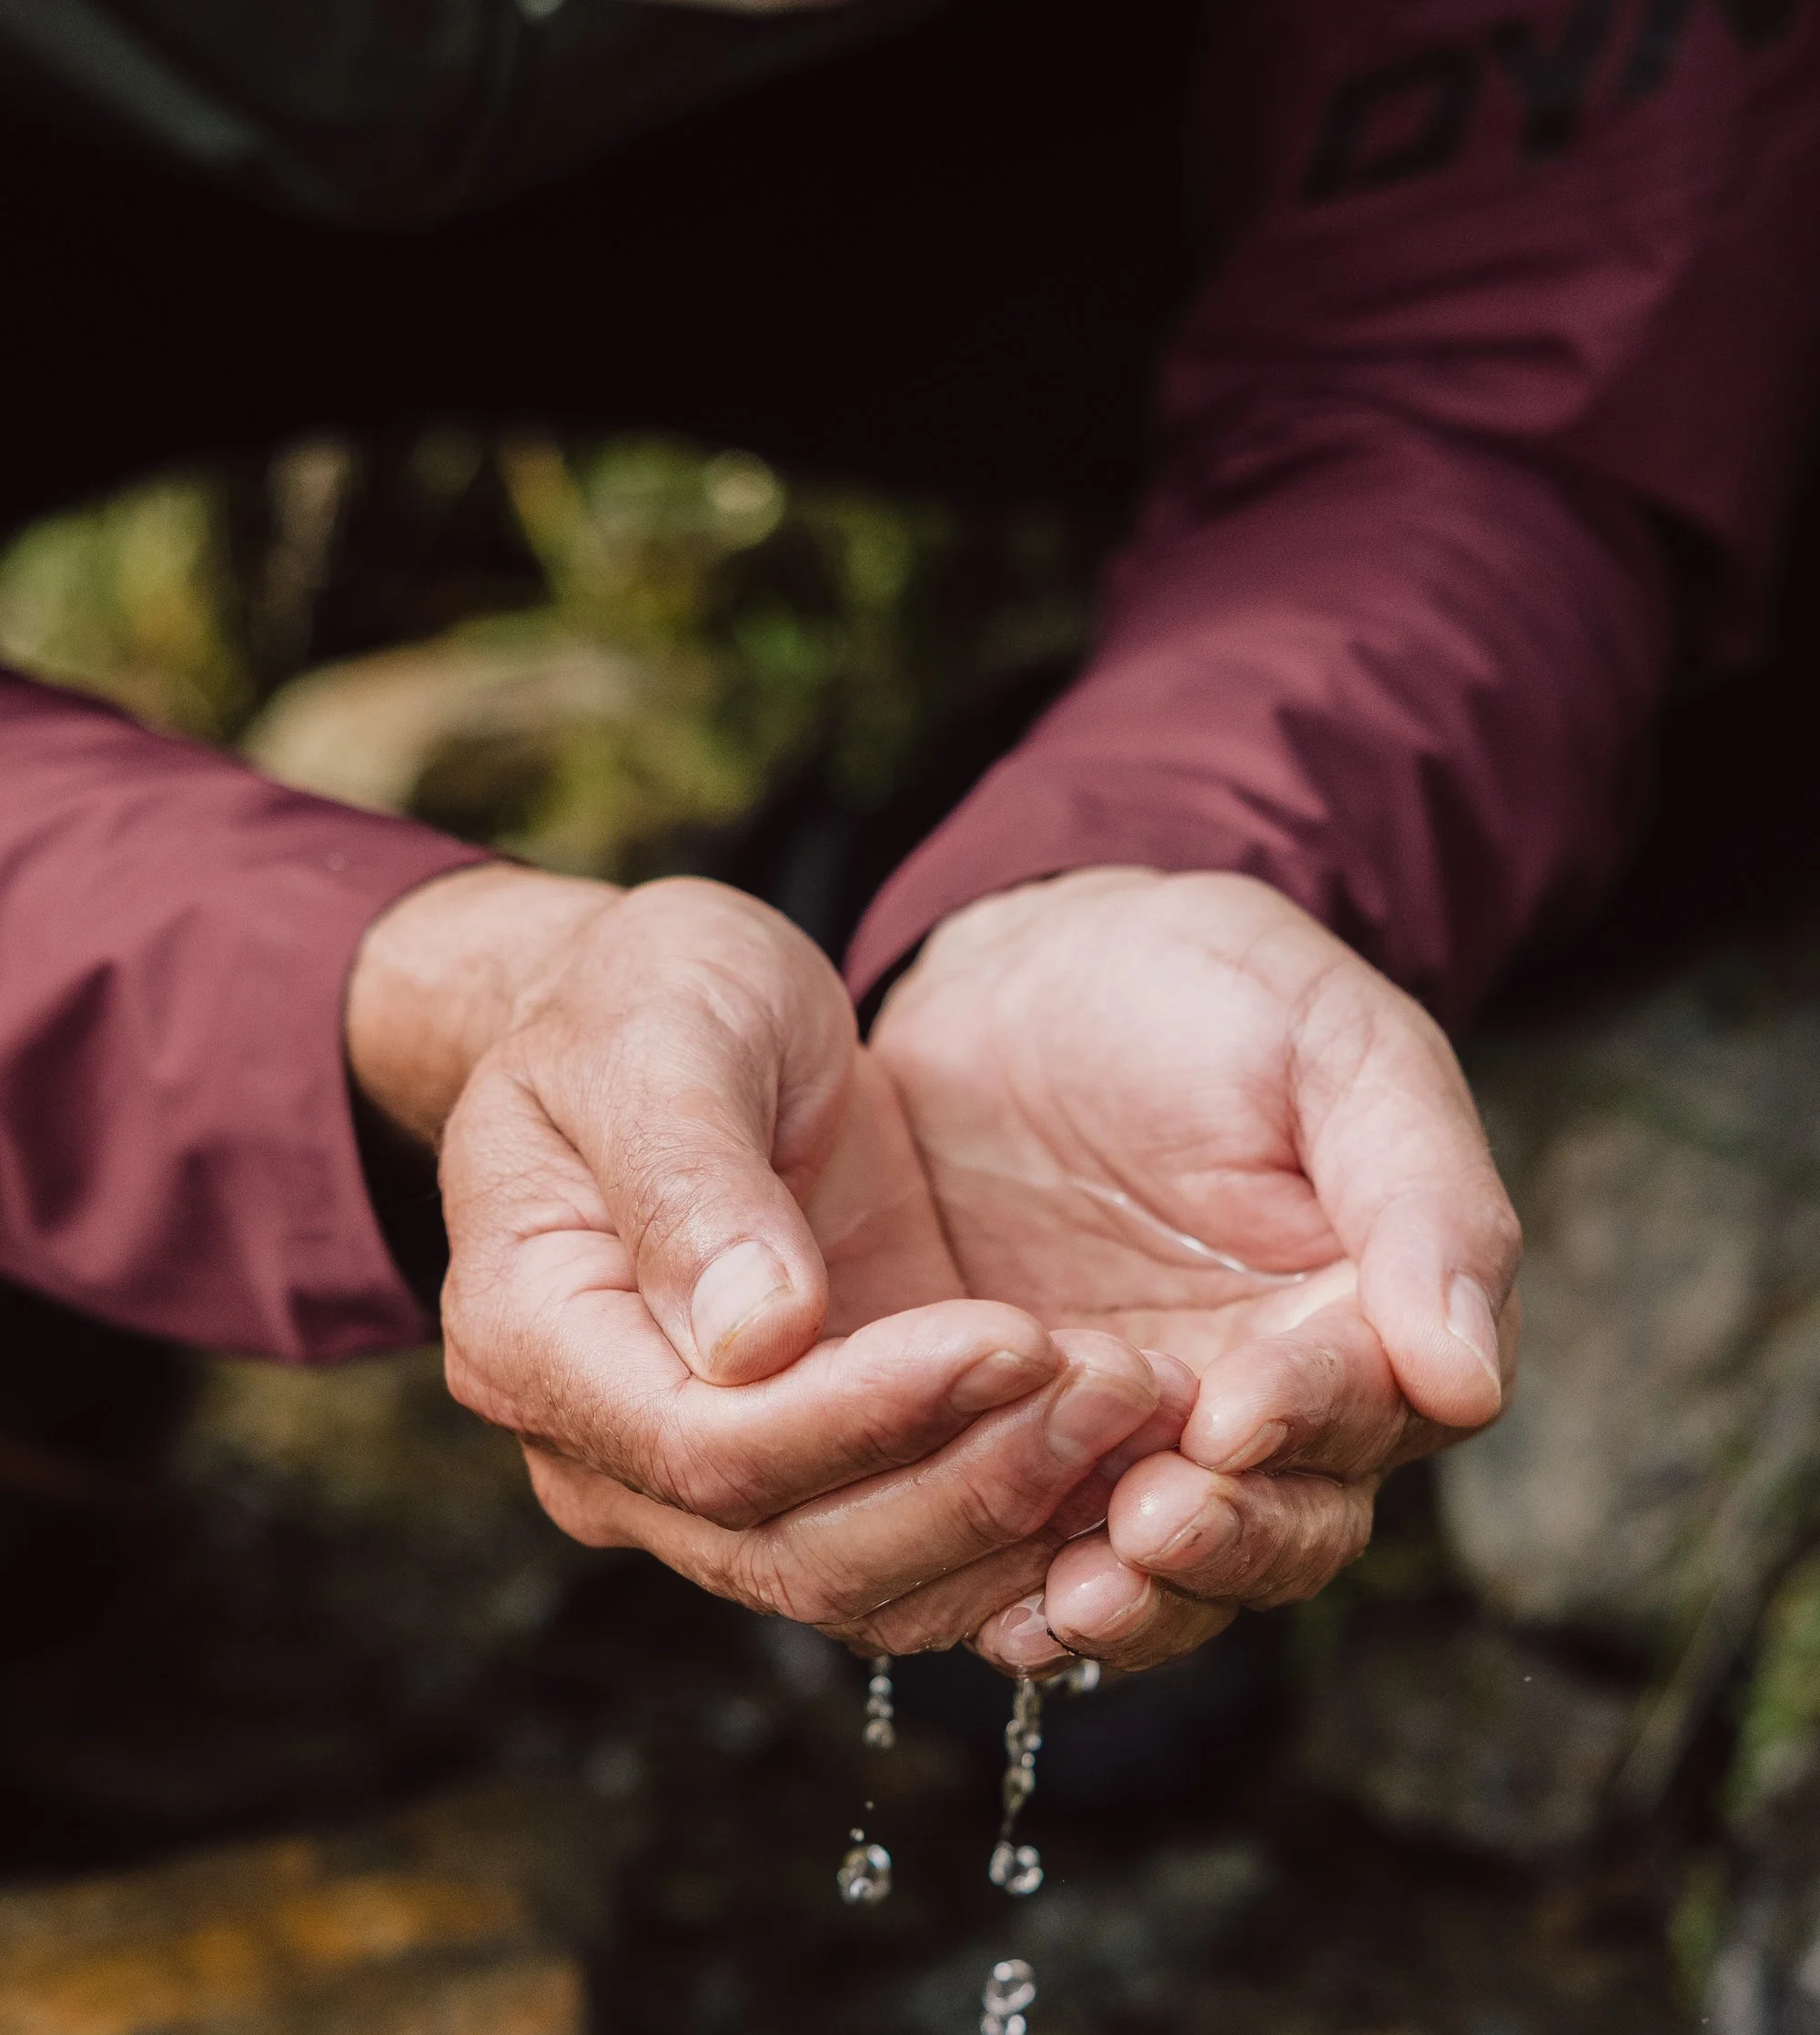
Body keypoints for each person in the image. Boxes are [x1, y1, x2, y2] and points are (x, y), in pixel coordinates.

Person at [3, 0, 1815, 1678]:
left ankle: (920, 895)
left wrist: (1176, 846)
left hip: (1045, 118)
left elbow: (1500, 348)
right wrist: (436, 999)